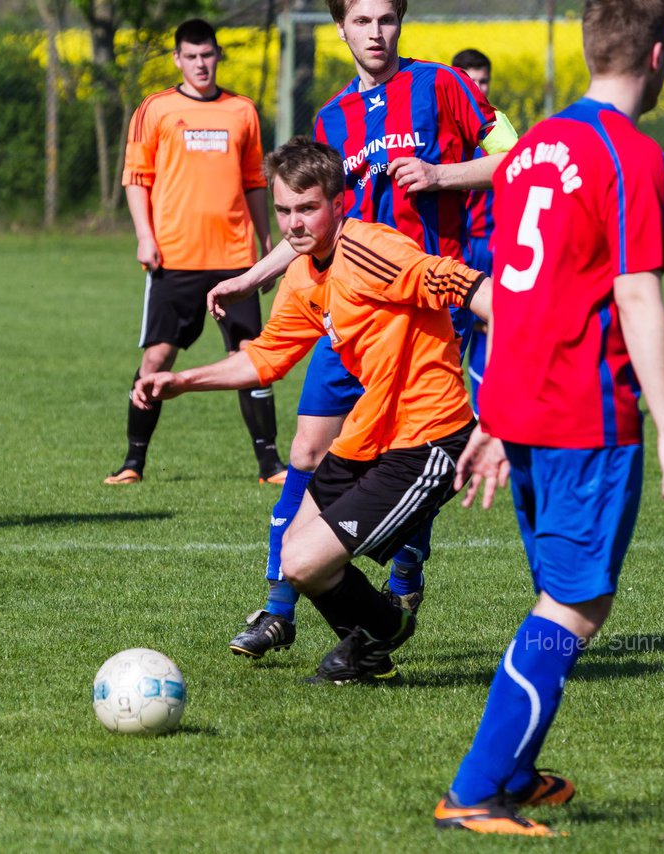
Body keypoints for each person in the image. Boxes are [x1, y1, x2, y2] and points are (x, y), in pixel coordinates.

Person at [433, 0, 664, 836]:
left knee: (563, 594)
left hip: (524, 409)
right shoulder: (630, 155)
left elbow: (514, 291)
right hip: (587, 418)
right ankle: (474, 793)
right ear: (657, 56)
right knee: (575, 608)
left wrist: (492, 413)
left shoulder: (529, 152)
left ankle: (512, 773)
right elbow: (635, 292)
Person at [214, 0, 518, 662]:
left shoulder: (446, 85)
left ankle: (401, 589)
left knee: (417, 446)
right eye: (362, 21)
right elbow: (308, 221)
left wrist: (443, 175)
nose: (375, 33)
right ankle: (279, 606)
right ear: (341, 28)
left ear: (400, 21)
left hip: (420, 312)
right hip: (342, 311)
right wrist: (252, 275)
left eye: (386, 19)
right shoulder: (331, 118)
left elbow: (519, 161)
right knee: (307, 449)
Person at [136, 137, 491, 683]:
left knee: (305, 562)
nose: (294, 223)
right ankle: (375, 641)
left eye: (307, 208)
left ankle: (378, 635)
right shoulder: (302, 273)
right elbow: (266, 358)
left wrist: (518, 357)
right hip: (367, 438)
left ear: (339, 203)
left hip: (428, 438)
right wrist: (182, 380)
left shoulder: (373, 250)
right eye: (283, 210)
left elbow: (464, 286)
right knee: (294, 559)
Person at [105, 18, 285, 486]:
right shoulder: (155, 108)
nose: (201, 64)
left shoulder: (242, 110)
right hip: (175, 258)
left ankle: (270, 465)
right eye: (191, 56)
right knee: (157, 358)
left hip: (235, 258)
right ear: (177, 59)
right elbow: (136, 179)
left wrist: (268, 247)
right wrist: (145, 235)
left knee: (252, 359)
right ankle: (132, 462)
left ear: (218, 55)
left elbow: (255, 184)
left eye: (208, 55)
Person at [450, 48, 495, 414]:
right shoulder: (442, 135)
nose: (477, 88)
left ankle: (486, 415)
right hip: (456, 250)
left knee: (493, 334)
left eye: (483, 81)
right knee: (452, 339)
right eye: (470, 81)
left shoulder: (497, 135)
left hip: (494, 247)